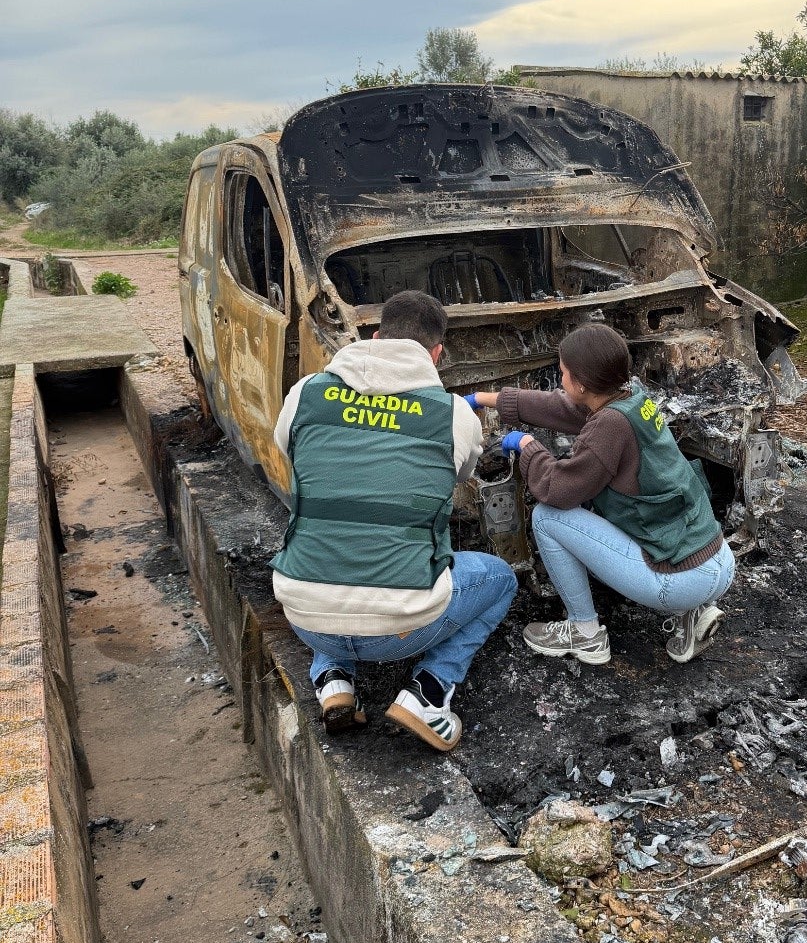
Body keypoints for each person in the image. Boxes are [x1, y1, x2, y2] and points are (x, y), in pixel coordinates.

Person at [271, 290, 517, 752]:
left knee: (333, 544)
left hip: (306, 617)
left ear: (378, 336)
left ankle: (333, 679)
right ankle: (429, 693)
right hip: (403, 630)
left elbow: (291, 453)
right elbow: (463, 475)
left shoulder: (304, 394)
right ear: (437, 354)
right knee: (500, 579)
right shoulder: (453, 415)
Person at [468, 323, 734, 665]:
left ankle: (585, 633)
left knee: (547, 517)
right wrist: (483, 399)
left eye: (563, 373)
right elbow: (560, 407)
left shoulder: (608, 426)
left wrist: (527, 446)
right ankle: (693, 613)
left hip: (679, 579)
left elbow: (556, 489)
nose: (560, 380)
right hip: (717, 561)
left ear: (581, 383)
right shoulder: (631, 400)